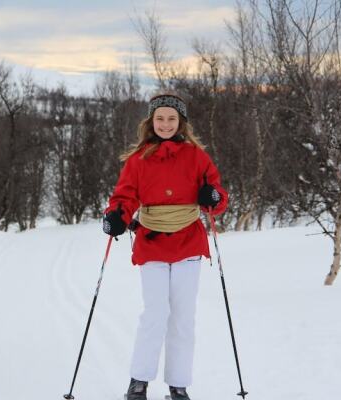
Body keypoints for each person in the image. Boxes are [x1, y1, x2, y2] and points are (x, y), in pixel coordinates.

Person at [102, 93, 228, 400]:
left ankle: (178, 384)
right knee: (155, 313)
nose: (166, 124)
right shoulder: (138, 160)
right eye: (160, 118)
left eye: (172, 119)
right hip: (152, 243)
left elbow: (218, 197)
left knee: (183, 316)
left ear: (181, 122)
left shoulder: (197, 156)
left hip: (188, 241)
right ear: (151, 122)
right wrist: (116, 216)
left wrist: (212, 197)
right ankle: (139, 381)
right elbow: (124, 196)